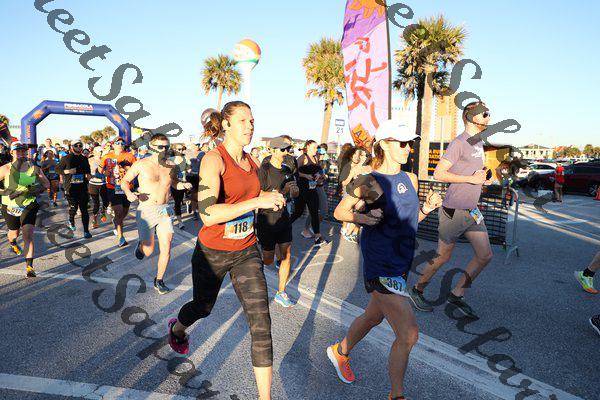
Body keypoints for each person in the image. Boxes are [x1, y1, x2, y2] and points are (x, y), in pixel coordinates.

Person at [168, 101, 285, 400]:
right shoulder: (213, 160)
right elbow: (208, 214)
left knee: (261, 323)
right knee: (202, 308)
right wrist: (256, 202)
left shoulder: (252, 161)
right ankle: (178, 329)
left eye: (252, 120)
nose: (250, 126)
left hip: (246, 250)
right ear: (227, 124)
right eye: (243, 120)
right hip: (213, 252)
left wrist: (271, 196)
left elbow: (252, 192)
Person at [328, 120, 442, 400]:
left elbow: (410, 222)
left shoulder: (410, 179)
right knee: (409, 334)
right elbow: (340, 212)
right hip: (380, 265)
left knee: (373, 317)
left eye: (410, 143)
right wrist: (364, 218)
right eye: (402, 143)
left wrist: (427, 208)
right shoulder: (369, 180)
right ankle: (397, 395)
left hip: (401, 263)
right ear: (385, 145)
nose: (408, 148)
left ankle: (340, 352)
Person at [409, 101, 494, 319]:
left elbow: (471, 172)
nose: (488, 116)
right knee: (443, 257)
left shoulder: (478, 142)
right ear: (470, 117)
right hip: (453, 211)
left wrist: (482, 178)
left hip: (472, 211)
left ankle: (457, 293)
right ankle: (417, 289)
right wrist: (470, 179)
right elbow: (439, 173)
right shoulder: (459, 143)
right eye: (484, 113)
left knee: (485, 255)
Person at [122, 133, 191, 294]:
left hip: (165, 209)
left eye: (167, 147)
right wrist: (128, 193)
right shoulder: (141, 164)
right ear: (151, 147)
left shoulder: (171, 165)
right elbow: (124, 181)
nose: (164, 150)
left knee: (167, 247)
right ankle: (141, 247)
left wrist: (183, 185)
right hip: (147, 209)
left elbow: (174, 184)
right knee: (148, 251)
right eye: (160, 147)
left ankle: (159, 280)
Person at [256, 136, 300, 308]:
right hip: (267, 219)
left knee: (286, 255)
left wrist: (294, 191)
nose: (286, 152)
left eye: (288, 149)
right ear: (273, 150)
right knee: (267, 260)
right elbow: (257, 194)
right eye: (283, 149)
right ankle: (252, 272)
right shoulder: (264, 170)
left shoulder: (287, 170)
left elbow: (294, 193)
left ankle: (281, 292)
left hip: (283, 217)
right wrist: (282, 190)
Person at [0, 142, 50, 277]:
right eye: (18, 151)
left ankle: (29, 267)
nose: (21, 153)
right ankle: (12, 242)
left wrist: (35, 190)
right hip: (10, 206)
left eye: (23, 151)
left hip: (28, 204)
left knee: (28, 234)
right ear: (11, 153)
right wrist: (7, 192)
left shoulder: (34, 168)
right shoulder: (5, 168)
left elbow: (46, 184)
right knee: (14, 232)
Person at [290, 140, 329, 246]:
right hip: (302, 189)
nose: (316, 149)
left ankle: (317, 237)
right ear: (307, 147)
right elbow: (294, 171)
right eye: (314, 147)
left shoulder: (316, 158)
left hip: (312, 188)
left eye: (316, 147)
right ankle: (283, 226)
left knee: (314, 212)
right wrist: (305, 176)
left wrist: (318, 174)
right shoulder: (303, 157)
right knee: (298, 212)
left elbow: (319, 170)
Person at [99, 138, 136, 247]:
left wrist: (128, 168)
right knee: (119, 212)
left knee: (125, 211)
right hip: (113, 187)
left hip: (127, 187)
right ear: (113, 145)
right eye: (117, 143)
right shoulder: (107, 156)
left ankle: (116, 221)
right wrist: (105, 172)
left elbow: (136, 170)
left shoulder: (130, 156)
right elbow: (100, 169)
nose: (120, 144)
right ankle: (121, 238)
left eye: (122, 143)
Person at [56, 140, 92, 238]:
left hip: (82, 187)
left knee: (84, 210)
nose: (79, 147)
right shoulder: (66, 158)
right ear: (72, 147)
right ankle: (71, 220)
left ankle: (86, 231)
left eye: (80, 145)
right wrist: (68, 171)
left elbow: (88, 171)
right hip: (70, 188)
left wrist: (88, 176)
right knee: (74, 208)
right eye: (76, 145)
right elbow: (57, 169)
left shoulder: (84, 159)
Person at [339, 147, 371, 243]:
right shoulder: (354, 168)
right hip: (355, 195)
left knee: (363, 213)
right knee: (357, 213)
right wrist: (351, 178)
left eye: (366, 156)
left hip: (367, 195)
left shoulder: (370, 168)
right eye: (362, 155)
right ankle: (349, 232)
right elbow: (344, 182)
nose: (364, 157)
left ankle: (354, 233)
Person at [170, 144, 190, 229]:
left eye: (182, 149)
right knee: (177, 202)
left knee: (186, 199)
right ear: (174, 150)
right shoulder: (170, 159)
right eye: (179, 149)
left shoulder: (185, 158)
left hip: (184, 182)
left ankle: (188, 203)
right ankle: (180, 221)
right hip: (174, 183)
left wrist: (188, 169)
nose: (181, 151)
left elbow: (189, 170)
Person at [88, 146, 108, 228]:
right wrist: (88, 175)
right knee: (96, 203)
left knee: (106, 201)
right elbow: (85, 170)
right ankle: (94, 220)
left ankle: (103, 211)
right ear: (94, 152)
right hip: (93, 183)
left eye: (101, 151)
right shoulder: (90, 160)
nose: (100, 153)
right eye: (98, 151)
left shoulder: (104, 160)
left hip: (103, 183)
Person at [186, 142, 204, 221]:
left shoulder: (202, 153)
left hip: (200, 176)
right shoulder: (187, 153)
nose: (197, 146)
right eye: (196, 145)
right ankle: (195, 212)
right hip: (191, 177)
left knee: (199, 194)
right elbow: (184, 164)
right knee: (195, 194)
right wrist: (188, 169)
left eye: (198, 145)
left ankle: (192, 205)